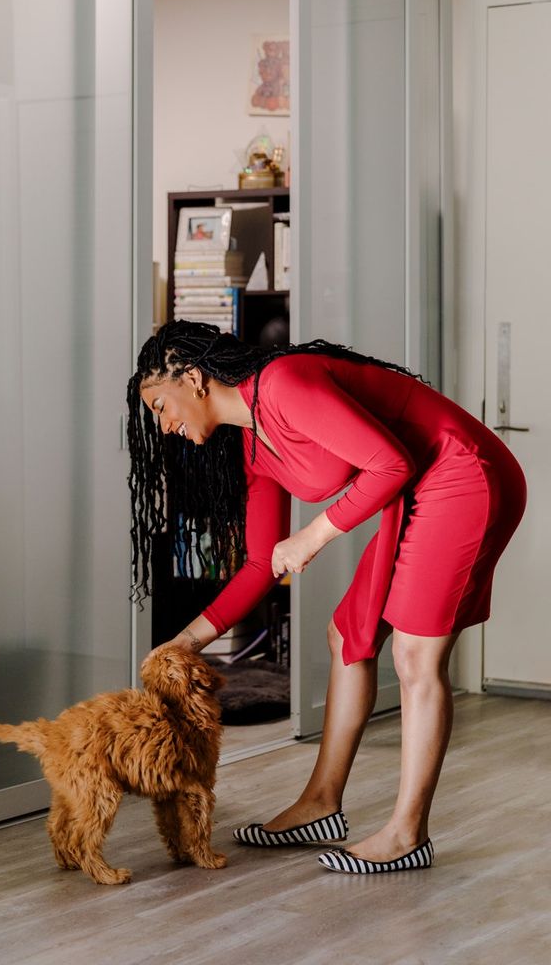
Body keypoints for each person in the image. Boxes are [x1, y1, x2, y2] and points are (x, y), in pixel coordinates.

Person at [126, 320, 526, 875]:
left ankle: (407, 834)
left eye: (158, 406)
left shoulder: (284, 383)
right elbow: (263, 562)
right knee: (347, 636)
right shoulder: (251, 443)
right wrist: (185, 641)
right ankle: (320, 803)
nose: (163, 426)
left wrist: (313, 536)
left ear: (192, 379)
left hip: (461, 472)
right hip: (416, 493)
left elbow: (392, 463)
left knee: (415, 655)